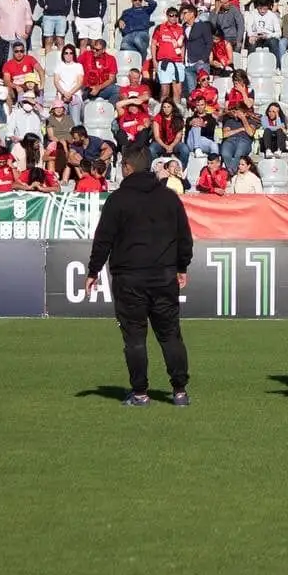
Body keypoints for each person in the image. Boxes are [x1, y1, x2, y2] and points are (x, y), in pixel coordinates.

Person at [85, 146, 193, 407]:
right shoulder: (169, 198)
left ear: (127, 168)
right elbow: (184, 237)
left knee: (134, 337)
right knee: (170, 335)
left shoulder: (118, 199)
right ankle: (179, 391)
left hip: (129, 278)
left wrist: (93, 271)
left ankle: (140, 393)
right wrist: (181, 267)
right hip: (164, 275)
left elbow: (104, 239)